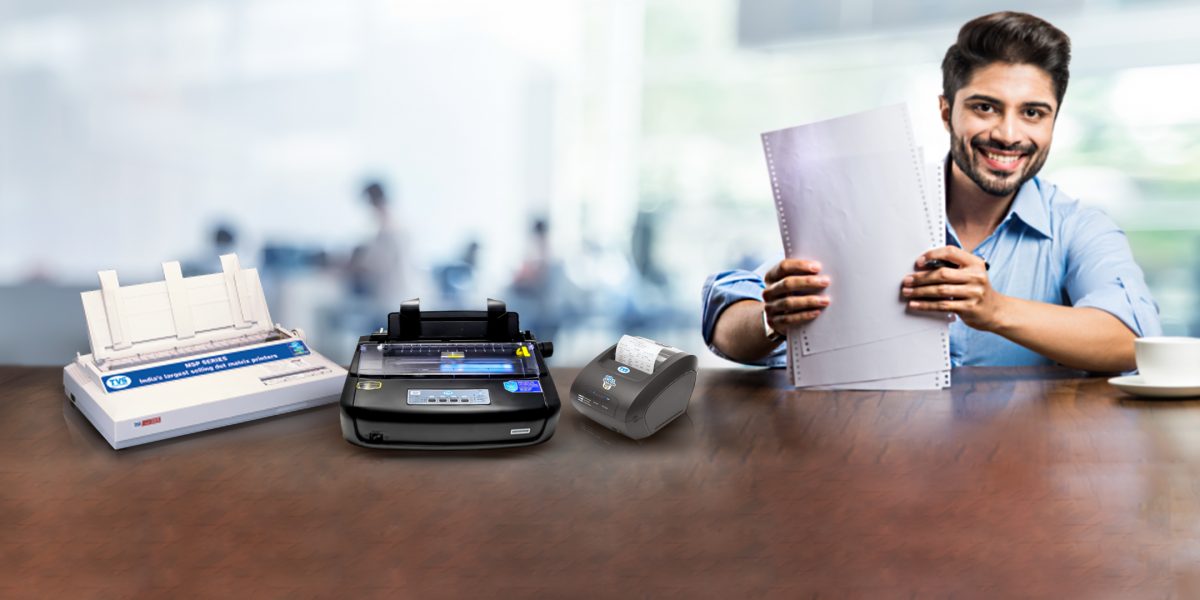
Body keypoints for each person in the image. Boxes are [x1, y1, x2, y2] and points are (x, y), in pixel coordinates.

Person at [702, 11, 1161, 373]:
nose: (1008, 133)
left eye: (1033, 113)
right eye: (985, 107)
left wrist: (994, 309)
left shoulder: (1079, 228)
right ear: (946, 112)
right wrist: (771, 318)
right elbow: (724, 317)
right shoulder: (868, 203)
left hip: (1025, 470)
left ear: (1054, 120)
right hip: (873, 458)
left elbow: (1132, 342)